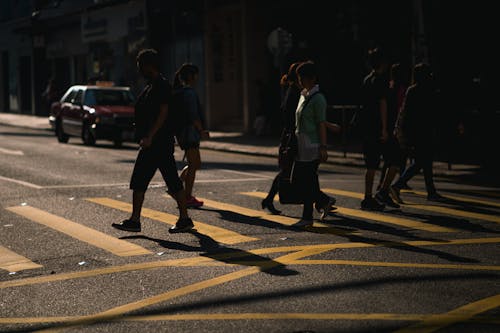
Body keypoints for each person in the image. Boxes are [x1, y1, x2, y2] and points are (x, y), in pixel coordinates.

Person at [112, 49, 194, 233]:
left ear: (149, 65)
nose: (139, 69)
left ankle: (182, 218)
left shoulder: (161, 86)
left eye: (141, 65)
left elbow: (163, 113)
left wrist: (150, 136)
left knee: (165, 181)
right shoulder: (152, 85)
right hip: (155, 142)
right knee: (147, 181)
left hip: (157, 143)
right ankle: (139, 220)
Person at [390, 62, 443, 203]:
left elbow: (405, 112)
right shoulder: (428, 90)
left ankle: (431, 191)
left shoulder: (412, 90)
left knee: (426, 162)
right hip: (423, 132)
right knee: (421, 162)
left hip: (416, 132)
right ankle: (397, 185)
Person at [292, 61, 336, 227]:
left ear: (312, 78)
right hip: (301, 144)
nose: (300, 81)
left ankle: (307, 217)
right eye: (299, 78)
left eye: (303, 78)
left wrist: (323, 147)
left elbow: (320, 124)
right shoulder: (303, 95)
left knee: (306, 181)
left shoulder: (318, 99)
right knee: (307, 181)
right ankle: (324, 201)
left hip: (312, 145)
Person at [359, 47, 400, 211]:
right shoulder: (381, 80)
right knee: (395, 161)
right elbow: (383, 104)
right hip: (379, 128)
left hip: (367, 128)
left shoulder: (367, 79)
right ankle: (383, 191)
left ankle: (368, 198)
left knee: (371, 166)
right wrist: (384, 129)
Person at [261, 62, 302, 215]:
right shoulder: (294, 92)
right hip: (291, 136)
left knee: (290, 169)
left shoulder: (292, 90)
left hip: (289, 135)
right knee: (289, 169)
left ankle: (269, 199)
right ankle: (320, 200)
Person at [173, 63, 210, 208]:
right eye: (196, 75)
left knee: (196, 164)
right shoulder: (189, 93)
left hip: (184, 133)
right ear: (191, 76)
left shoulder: (180, 92)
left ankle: (174, 187)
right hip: (189, 133)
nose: (197, 78)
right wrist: (201, 130)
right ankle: (187, 196)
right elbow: (194, 115)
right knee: (194, 165)